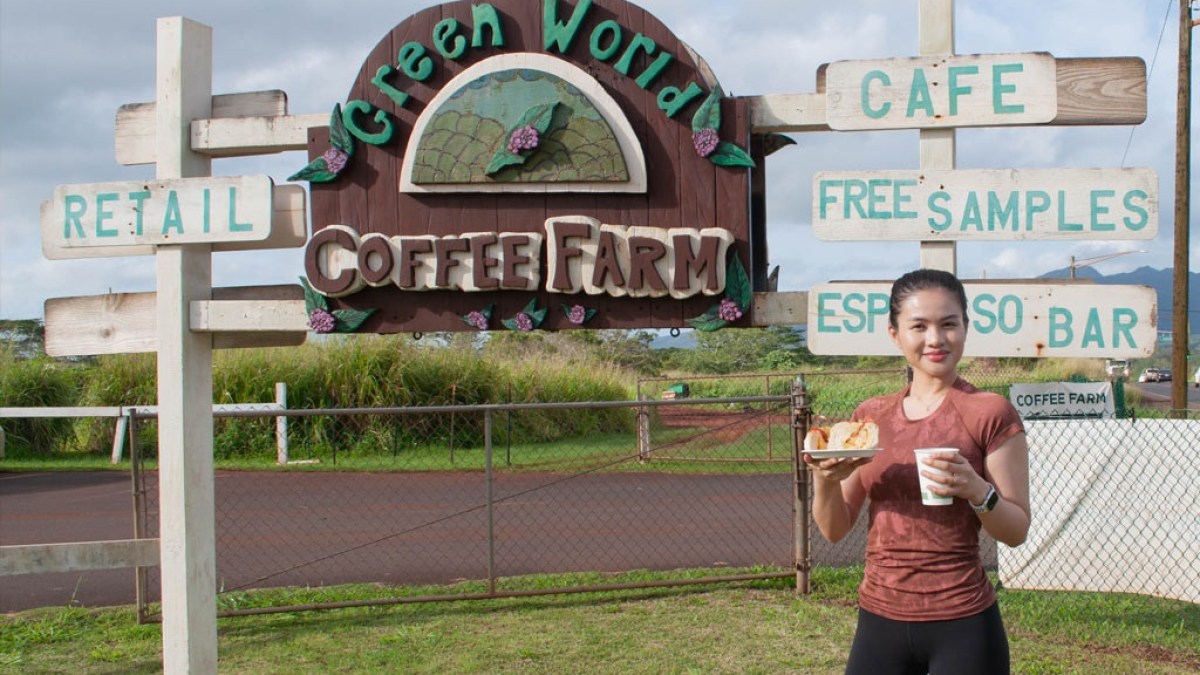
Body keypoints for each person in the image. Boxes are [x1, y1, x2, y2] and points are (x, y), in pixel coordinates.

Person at [804, 268, 1031, 675]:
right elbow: (835, 529)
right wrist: (824, 480)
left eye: (949, 324)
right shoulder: (870, 417)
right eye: (919, 326)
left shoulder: (991, 413)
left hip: (964, 622)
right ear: (895, 334)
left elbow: (1016, 531)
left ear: (966, 327)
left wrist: (977, 490)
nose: (935, 339)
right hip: (878, 619)